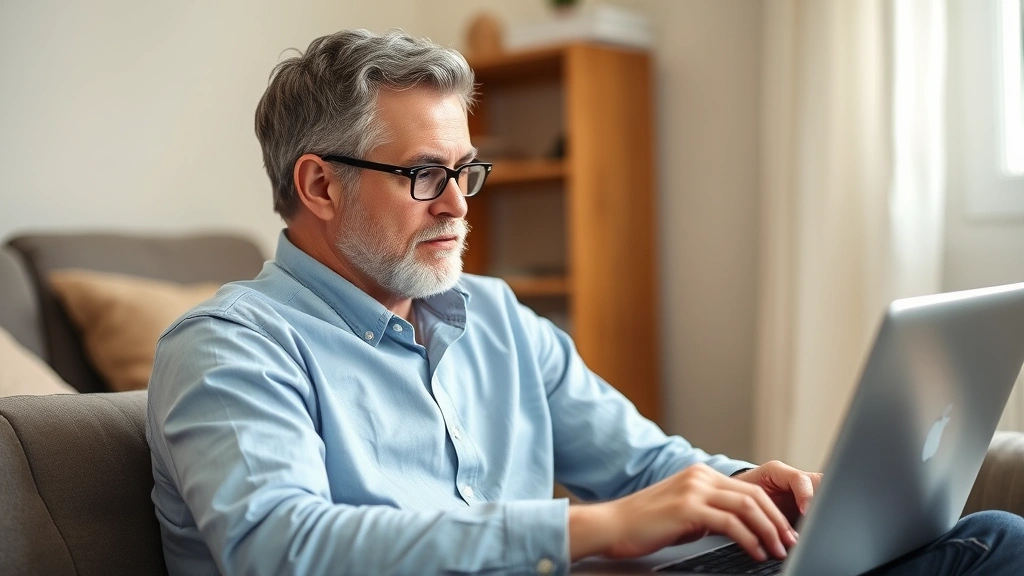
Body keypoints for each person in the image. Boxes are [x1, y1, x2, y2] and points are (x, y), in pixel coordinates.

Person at [147, 29, 1024, 576]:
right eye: (424, 175)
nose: (458, 204)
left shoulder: (495, 319)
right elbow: (279, 548)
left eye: (465, 172)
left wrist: (741, 487)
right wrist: (593, 530)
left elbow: (646, 469)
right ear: (319, 185)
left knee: (985, 540)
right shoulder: (230, 347)